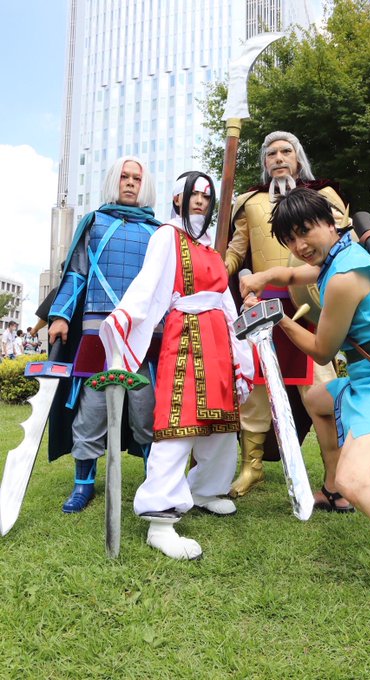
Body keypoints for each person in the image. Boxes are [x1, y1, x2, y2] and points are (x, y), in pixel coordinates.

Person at [240, 186, 370, 642]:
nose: (300, 244)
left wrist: (275, 317)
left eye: (306, 230)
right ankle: (333, 489)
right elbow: (293, 271)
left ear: (331, 222)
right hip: (365, 378)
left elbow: (322, 349)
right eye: (290, 237)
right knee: (317, 400)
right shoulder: (338, 255)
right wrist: (262, 277)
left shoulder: (345, 275)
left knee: (361, 480)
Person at [100, 171, 254, 560]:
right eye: (193, 194)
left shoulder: (212, 248)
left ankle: (206, 488)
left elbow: (223, 298)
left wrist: (240, 344)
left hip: (218, 337)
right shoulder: (166, 236)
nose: (200, 200)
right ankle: (160, 518)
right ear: (177, 199)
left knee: (223, 421)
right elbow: (147, 284)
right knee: (179, 421)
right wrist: (124, 320)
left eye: (207, 195)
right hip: (185, 334)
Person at [225, 130, 353, 511]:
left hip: (312, 306)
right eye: (271, 153)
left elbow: (343, 245)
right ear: (264, 162)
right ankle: (251, 467)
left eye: (286, 151)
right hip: (261, 308)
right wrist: (212, 268)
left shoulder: (324, 196)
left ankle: (335, 479)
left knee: (322, 395)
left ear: (298, 158)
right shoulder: (250, 202)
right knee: (255, 394)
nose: (279, 158)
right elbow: (236, 252)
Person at [48, 156, 161, 513]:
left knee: (146, 410)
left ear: (145, 184)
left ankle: (155, 482)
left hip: (142, 334)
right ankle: (83, 484)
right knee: (91, 411)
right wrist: (60, 315)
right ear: (115, 180)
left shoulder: (159, 232)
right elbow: (76, 273)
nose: (130, 183)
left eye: (137, 178)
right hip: (97, 330)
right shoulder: (94, 223)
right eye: (124, 177)